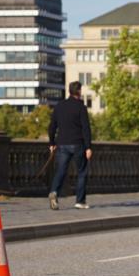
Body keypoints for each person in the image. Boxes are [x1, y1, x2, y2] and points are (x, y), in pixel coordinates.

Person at [48, 81, 93, 210]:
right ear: (78, 91)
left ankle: (54, 191)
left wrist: (52, 143)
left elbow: (52, 126)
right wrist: (88, 146)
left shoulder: (59, 106)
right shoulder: (81, 107)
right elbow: (86, 128)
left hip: (62, 144)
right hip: (78, 144)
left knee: (61, 170)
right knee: (82, 172)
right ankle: (80, 201)